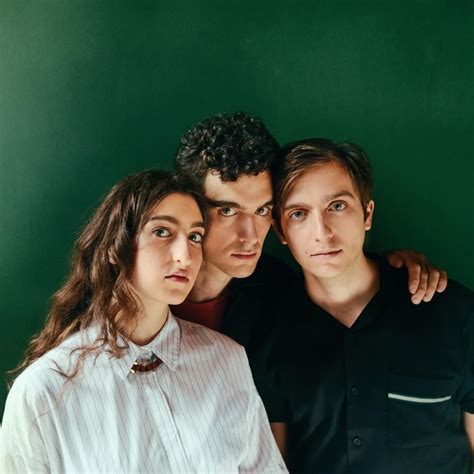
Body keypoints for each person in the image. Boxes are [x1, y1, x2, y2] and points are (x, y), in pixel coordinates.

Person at [172, 113, 447, 449]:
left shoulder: (277, 290)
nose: (250, 235)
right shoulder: (137, 295)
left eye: (262, 210)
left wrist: (398, 267)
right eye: (227, 211)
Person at [0, 170, 287, 473]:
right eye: (162, 232)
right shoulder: (44, 391)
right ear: (114, 248)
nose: (185, 256)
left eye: (194, 237)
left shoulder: (227, 360)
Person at [263, 138, 474, 473]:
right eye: (298, 214)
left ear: (367, 213)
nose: (322, 232)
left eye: (337, 206)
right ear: (280, 230)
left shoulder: (453, 313)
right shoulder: (269, 333)